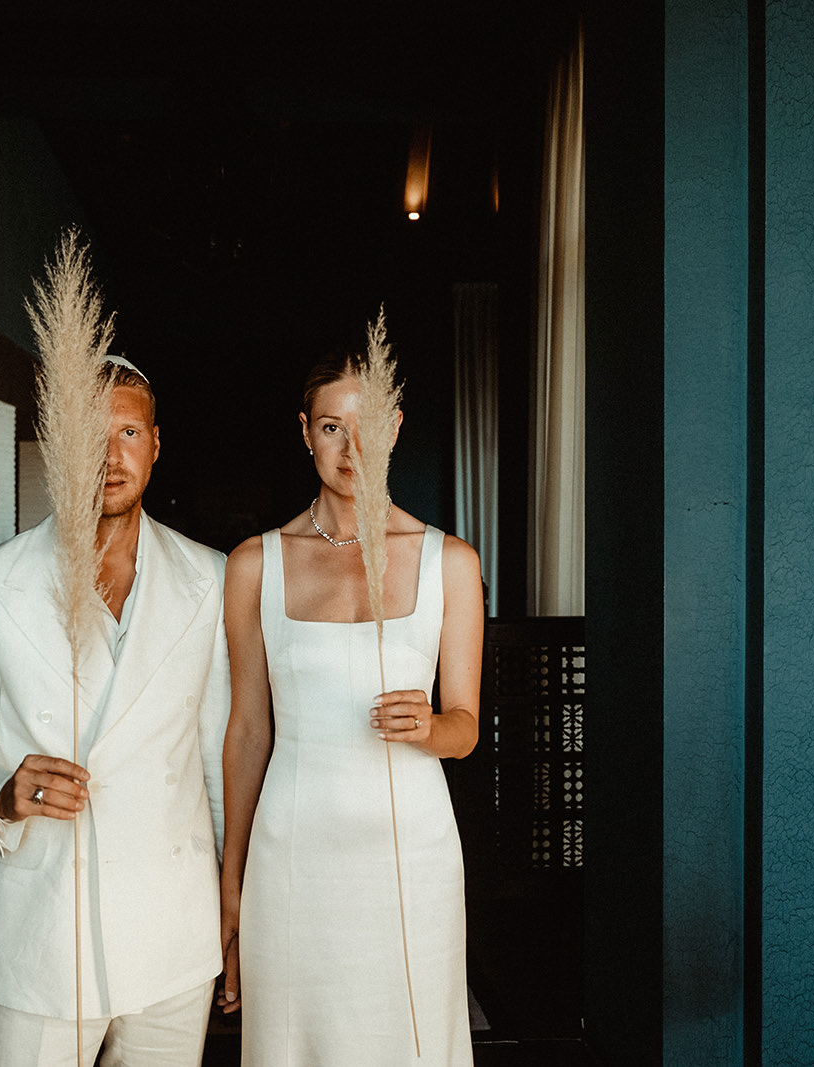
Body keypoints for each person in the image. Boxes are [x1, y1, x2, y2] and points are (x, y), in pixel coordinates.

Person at [0, 357, 231, 1067]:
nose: (110, 456)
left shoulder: (211, 578)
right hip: (38, 936)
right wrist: (1, 792)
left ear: (155, 443)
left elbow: (218, 757)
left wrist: (230, 902)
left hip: (172, 935)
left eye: (128, 432)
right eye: (89, 434)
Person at [218, 353, 483, 1065]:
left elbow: (465, 729)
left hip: (412, 853)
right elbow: (248, 732)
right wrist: (232, 880)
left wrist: (431, 725)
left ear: (394, 428)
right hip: (293, 855)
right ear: (306, 432)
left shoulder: (451, 562)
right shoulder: (254, 564)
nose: (350, 447)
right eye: (332, 426)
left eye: (366, 427)